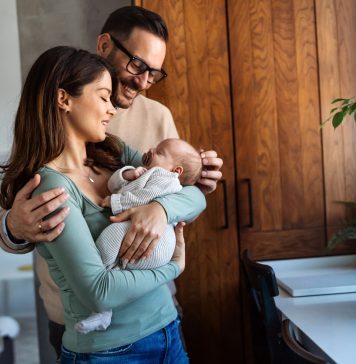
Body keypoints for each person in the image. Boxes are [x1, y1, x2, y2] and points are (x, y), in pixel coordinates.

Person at [0, 5, 223, 359]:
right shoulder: (48, 173)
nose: (144, 81)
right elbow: (94, 288)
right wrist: (12, 226)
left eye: (154, 73)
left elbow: (189, 192)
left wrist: (160, 208)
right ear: (105, 46)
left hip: (164, 321)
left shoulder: (119, 144)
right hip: (95, 334)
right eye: (137, 66)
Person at [75, 138, 202, 335]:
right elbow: (113, 183)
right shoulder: (146, 171)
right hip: (151, 245)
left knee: (110, 237)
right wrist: (128, 174)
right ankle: (104, 312)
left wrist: (115, 202)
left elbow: (142, 198)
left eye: (160, 152)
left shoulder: (166, 179)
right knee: (116, 266)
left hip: (157, 244)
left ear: (176, 170)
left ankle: (102, 306)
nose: (151, 149)